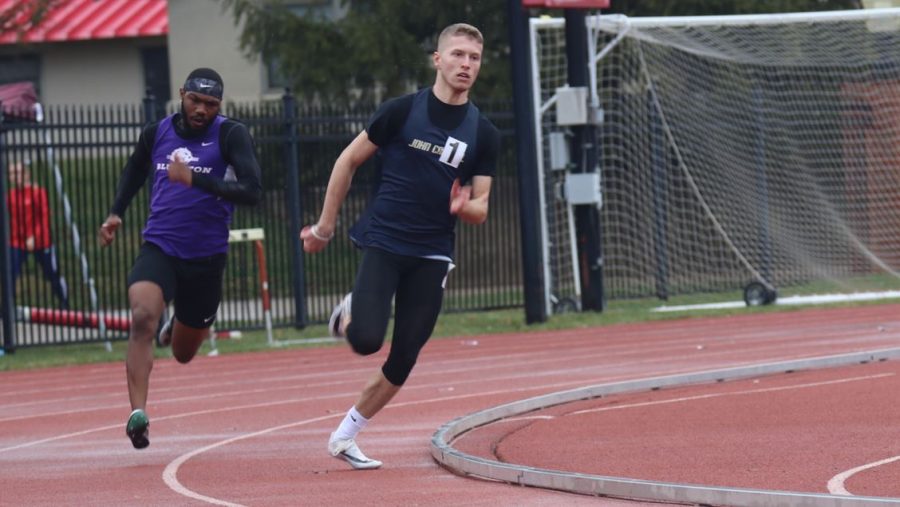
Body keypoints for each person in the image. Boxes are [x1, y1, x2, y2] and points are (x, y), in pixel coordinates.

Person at [300, 23, 499, 470]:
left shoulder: (482, 133)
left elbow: (482, 207)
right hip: (386, 240)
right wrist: (324, 228)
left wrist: (465, 206)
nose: (467, 64)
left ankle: (345, 435)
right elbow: (347, 160)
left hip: (433, 252)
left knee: (406, 353)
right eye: (459, 54)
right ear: (438, 59)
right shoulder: (401, 111)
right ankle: (346, 314)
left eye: (475, 58)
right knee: (367, 339)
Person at [98, 68, 263, 450]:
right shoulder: (156, 133)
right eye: (195, 100)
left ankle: (177, 323)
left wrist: (196, 180)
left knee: (183, 353)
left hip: (206, 259)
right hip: (160, 247)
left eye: (211, 104)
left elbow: (253, 191)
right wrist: (115, 212)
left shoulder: (230, 134)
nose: (201, 109)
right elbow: (134, 171)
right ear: (181, 94)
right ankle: (137, 414)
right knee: (141, 318)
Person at [7, 160, 69, 308]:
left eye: (17, 173)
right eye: (11, 174)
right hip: (17, 241)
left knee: (51, 273)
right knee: (10, 274)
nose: (15, 177)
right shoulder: (10, 196)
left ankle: (64, 303)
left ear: (26, 174)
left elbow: (44, 218)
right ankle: (9, 308)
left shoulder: (38, 193)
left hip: (41, 241)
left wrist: (34, 237)